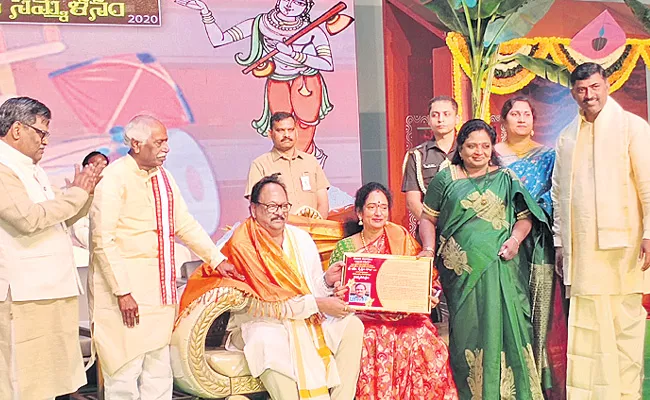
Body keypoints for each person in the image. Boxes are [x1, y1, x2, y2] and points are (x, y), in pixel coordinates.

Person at [179, 174, 363, 400]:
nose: (280, 212)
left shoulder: (300, 238)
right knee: (267, 339)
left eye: (284, 206)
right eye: (272, 206)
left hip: (304, 318)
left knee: (352, 325)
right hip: (259, 321)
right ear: (254, 209)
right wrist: (317, 304)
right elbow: (260, 304)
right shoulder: (242, 245)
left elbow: (310, 289)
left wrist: (326, 281)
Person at [89, 115, 227, 399]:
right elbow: (103, 239)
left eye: (167, 141)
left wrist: (217, 259)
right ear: (137, 144)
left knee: (159, 370)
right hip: (125, 295)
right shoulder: (114, 178)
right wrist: (122, 291)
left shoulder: (163, 177)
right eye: (160, 142)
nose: (167, 148)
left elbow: (184, 224)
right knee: (124, 373)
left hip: (159, 292)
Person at [419, 119, 553, 399]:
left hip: (501, 267)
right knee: (469, 331)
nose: (478, 152)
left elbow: (525, 218)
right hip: (461, 275)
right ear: (461, 147)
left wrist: (515, 241)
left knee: (507, 326)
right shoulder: (447, 178)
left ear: (492, 147)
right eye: (471, 146)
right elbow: (427, 219)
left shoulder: (505, 178)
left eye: (484, 146)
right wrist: (429, 250)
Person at [552, 62, 650, 399]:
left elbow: (648, 184)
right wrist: (561, 242)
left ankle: (626, 394)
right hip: (583, 251)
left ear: (606, 85)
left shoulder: (632, 127)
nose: (588, 95)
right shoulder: (567, 136)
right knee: (588, 324)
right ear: (573, 93)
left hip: (624, 246)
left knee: (624, 323)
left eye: (594, 87)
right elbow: (558, 192)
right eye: (581, 90)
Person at [0, 96, 103, 399]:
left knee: (51, 381)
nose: (45, 142)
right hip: (24, 293)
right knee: (25, 381)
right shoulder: (4, 168)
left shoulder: (32, 168)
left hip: (50, 288)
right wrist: (75, 193)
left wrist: (85, 193)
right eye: (41, 132)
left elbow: (61, 218)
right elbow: (29, 219)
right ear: (17, 130)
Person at [329, 182, 458, 400]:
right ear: (360, 212)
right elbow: (334, 291)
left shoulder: (401, 238)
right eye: (371, 207)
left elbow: (429, 281)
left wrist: (430, 296)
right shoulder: (346, 248)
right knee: (371, 336)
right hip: (365, 318)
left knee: (421, 336)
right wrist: (339, 291)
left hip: (405, 315)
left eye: (383, 206)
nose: (378, 212)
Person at [178, 0, 336, 163]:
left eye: (298, 2)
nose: (290, 5)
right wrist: (205, 12)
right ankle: (287, 167)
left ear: (306, 7)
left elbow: (327, 63)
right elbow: (219, 39)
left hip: (306, 82)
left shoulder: (313, 31)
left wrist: (293, 54)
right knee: (282, 126)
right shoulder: (260, 24)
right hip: (278, 80)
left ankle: (304, 164)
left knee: (305, 124)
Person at [496, 97, 563, 397]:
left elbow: (556, 196)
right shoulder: (491, 155)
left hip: (538, 241)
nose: (521, 119)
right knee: (504, 308)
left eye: (527, 114)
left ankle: (535, 380)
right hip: (500, 239)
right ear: (504, 120)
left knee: (538, 311)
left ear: (534, 121)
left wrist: (531, 209)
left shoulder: (548, 156)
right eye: (515, 114)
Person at [246, 111, 330, 218]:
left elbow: (323, 203)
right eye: (280, 130)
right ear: (270, 134)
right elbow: (257, 207)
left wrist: (317, 229)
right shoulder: (260, 165)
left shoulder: (311, 162)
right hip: (277, 232)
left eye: (290, 130)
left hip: (312, 232)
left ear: (296, 132)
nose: (286, 135)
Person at [402, 96, 459, 221]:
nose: (440, 120)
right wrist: (434, 226)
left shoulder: (467, 152)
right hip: (431, 230)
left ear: (457, 119)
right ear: (428, 120)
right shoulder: (417, 156)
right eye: (435, 115)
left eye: (446, 114)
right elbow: (412, 201)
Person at [70, 151, 110, 249]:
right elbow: (79, 229)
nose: (100, 170)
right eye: (96, 166)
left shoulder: (111, 193)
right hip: (88, 251)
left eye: (104, 166)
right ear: (85, 168)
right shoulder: (75, 193)